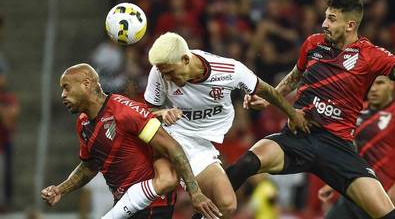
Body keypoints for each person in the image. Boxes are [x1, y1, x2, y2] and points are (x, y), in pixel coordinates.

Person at [223, 0, 395, 219]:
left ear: (350, 25)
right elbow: (295, 76)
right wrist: (270, 98)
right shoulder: (313, 44)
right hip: (299, 136)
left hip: (337, 146)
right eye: (326, 17)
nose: (325, 24)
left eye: (332, 19)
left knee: (388, 215)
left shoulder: (371, 55)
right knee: (246, 163)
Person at [138, 32, 307, 219]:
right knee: (165, 183)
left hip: (200, 143)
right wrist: (162, 113)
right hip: (172, 135)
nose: (167, 78)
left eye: (170, 73)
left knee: (226, 205)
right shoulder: (159, 72)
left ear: (185, 59)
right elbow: (147, 112)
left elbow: (265, 90)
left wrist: (292, 113)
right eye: (164, 74)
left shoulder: (228, 70)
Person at [40, 63, 221, 219]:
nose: (63, 95)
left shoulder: (124, 112)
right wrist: (60, 189)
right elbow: (89, 166)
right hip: (126, 206)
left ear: (86, 84)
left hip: (153, 206)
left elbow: (172, 147)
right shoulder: (83, 122)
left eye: (66, 87)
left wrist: (195, 192)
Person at [317, 75, 395, 219]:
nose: (373, 89)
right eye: (371, 84)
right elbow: (350, 152)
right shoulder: (357, 111)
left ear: (392, 85)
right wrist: (333, 183)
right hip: (354, 193)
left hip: (382, 197)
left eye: (380, 83)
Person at [0, 58, 19, 210]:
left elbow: (8, 122)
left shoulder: (9, 99)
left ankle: (4, 204)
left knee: (4, 175)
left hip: (3, 143)